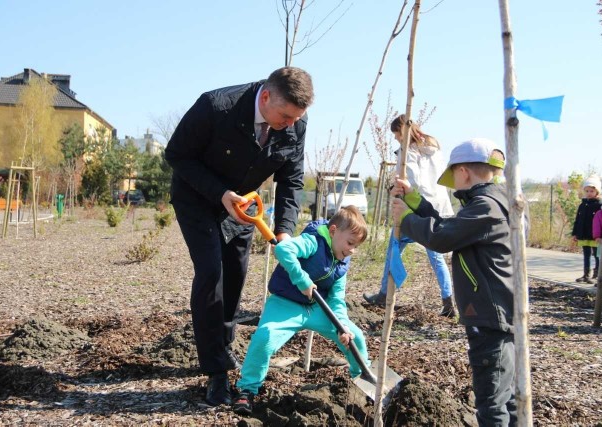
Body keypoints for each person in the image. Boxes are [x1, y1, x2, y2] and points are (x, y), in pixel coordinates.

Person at [164, 67, 314, 406]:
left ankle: (225, 344)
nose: (289, 124)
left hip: (245, 207)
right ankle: (216, 372)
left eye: (296, 118)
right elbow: (176, 155)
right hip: (198, 198)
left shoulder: (295, 124)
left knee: (236, 272)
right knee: (211, 272)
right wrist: (220, 194)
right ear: (265, 97)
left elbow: (291, 180)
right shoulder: (216, 106)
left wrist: (285, 231)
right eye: (285, 116)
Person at [390, 138, 516, 426]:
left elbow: (442, 237)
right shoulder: (498, 202)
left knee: (492, 403)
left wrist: (407, 219)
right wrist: (415, 202)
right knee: (507, 396)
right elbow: (451, 227)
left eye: (454, 177)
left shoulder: (486, 206)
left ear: (464, 172)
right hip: (500, 312)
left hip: (489, 316)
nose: (454, 185)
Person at [233, 206, 370, 416]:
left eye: (356, 246)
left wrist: (342, 326)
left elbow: (337, 298)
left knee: (356, 338)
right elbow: (283, 249)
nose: (352, 250)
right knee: (265, 337)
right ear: (333, 231)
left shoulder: (342, 262)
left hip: (316, 308)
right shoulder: (312, 241)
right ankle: (248, 390)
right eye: (350, 243)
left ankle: (362, 382)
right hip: (285, 304)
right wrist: (302, 280)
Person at [363, 115, 456, 318]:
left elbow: (411, 180)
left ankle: (384, 294)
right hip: (438, 206)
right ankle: (448, 301)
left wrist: (399, 191)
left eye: (396, 134)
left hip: (416, 208)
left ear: (402, 131)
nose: (396, 138)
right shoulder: (434, 149)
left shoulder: (408, 152)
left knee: (393, 248)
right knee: (436, 256)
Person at [571, 175, 602, 285]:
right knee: (586, 254)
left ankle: (597, 275)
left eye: (592, 191)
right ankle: (586, 274)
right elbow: (577, 220)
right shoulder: (582, 205)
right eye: (587, 191)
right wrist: (575, 233)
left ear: (597, 192)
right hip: (583, 234)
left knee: (597, 255)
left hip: (595, 235)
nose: (589, 193)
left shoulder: (599, 205)